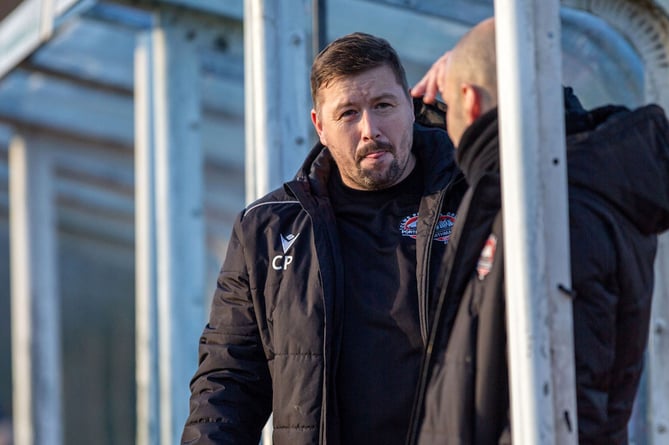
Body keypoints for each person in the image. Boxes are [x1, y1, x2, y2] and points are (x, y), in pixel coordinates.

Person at [181, 32, 467, 445]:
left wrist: (493, 82)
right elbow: (228, 382)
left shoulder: (480, 195)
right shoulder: (267, 229)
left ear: (410, 104)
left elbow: (573, 166)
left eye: (383, 106)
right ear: (320, 127)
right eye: (348, 113)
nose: (370, 129)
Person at [407, 17, 669, 445]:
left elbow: (568, 408)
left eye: (450, 106)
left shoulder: (553, 210)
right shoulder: (567, 185)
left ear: (470, 102)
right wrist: (480, 68)